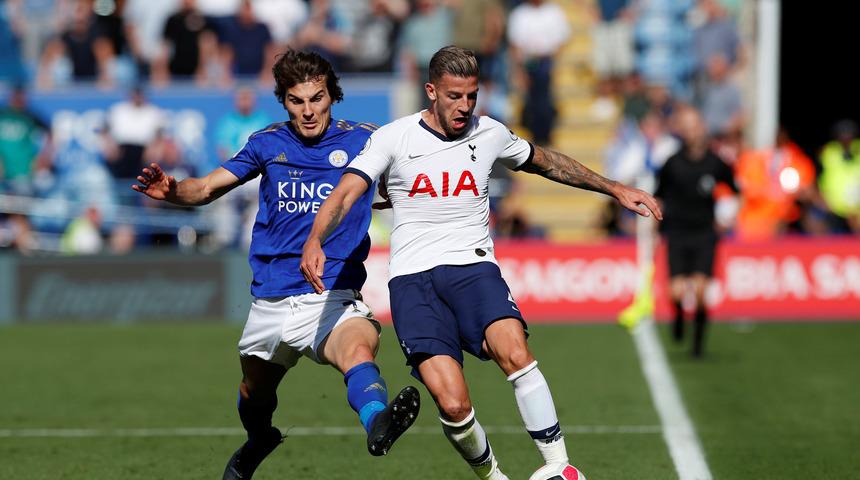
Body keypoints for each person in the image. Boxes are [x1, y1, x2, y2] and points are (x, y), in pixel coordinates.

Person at [301, 46, 661, 480]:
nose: (464, 106)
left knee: (515, 351)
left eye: (472, 95)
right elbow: (346, 192)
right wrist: (315, 239)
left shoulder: (489, 132)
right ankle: (494, 477)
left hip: (473, 268)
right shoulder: (394, 138)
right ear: (431, 91)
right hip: (412, 281)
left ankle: (559, 466)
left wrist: (614, 188)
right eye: (454, 96)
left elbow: (547, 162)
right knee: (453, 403)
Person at [132, 50, 420, 480]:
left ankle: (378, 421)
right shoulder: (267, 143)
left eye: (316, 99)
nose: (308, 111)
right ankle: (259, 438)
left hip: (331, 293)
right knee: (254, 394)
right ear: (284, 101)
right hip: (271, 298)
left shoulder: (365, 140)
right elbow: (206, 187)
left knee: (358, 350)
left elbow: (408, 183)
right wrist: (174, 192)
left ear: (332, 96)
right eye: (296, 101)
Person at [654, 106, 737, 358]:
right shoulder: (672, 162)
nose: (691, 132)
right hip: (678, 232)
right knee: (676, 292)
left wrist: (726, 218)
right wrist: (657, 227)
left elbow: (735, 190)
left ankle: (698, 346)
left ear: (702, 128)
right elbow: (659, 195)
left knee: (701, 291)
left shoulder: (715, 162)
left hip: (704, 233)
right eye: (686, 127)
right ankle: (679, 315)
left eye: (694, 126)